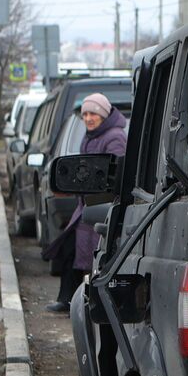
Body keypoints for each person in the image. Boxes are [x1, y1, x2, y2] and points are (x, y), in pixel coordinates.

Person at [44, 92, 127, 314]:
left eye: (93, 114)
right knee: (69, 250)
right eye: (85, 114)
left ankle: (88, 304)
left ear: (103, 114)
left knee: (92, 258)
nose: (89, 119)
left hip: (100, 208)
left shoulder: (114, 136)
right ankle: (67, 299)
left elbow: (115, 172)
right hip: (85, 206)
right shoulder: (90, 136)